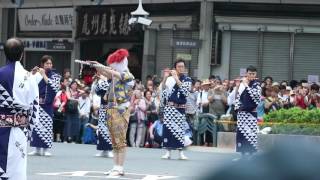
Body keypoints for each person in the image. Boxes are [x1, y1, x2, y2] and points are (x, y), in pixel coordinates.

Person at [90, 49, 134, 176]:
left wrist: (100, 66)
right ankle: (116, 166)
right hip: (112, 108)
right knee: (114, 140)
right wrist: (97, 65)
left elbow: (111, 72)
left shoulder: (127, 75)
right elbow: (107, 72)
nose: (111, 67)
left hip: (121, 109)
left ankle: (120, 167)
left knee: (120, 140)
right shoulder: (115, 75)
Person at [0, 38, 40, 180]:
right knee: (16, 171)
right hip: (19, 130)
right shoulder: (29, 78)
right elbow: (35, 108)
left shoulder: (0, 74)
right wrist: (29, 132)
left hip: (0, 127)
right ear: (22, 54)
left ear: (4, 53)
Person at [29, 55, 61, 156]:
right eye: (47, 63)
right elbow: (27, 83)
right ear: (42, 64)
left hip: (47, 104)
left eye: (50, 63)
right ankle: (37, 148)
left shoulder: (56, 76)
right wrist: (32, 73)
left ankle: (45, 149)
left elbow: (54, 87)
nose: (49, 65)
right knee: (36, 126)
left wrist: (44, 75)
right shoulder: (37, 74)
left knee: (47, 126)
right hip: (37, 104)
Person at [160, 59, 192, 160]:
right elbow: (164, 91)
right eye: (179, 66)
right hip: (169, 108)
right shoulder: (170, 79)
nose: (181, 68)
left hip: (180, 108)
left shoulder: (187, 79)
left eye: (182, 66)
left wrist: (176, 78)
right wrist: (165, 78)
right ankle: (168, 152)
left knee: (179, 131)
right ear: (175, 68)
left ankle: (181, 153)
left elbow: (185, 92)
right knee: (168, 130)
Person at [234, 66, 261, 157]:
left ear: (256, 74)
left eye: (253, 74)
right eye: (249, 73)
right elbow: (238, 97)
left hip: (251, 113)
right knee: (241, 133)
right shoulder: (242, 83)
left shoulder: (256, 84)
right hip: (242, 113)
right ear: (246, 73)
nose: (251, 75)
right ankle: (242, 154)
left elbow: (256, 96)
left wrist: (246, 85)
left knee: (250, 134)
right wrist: (237, 108)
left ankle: (250, 154)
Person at [94, 74, 113, 158]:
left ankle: (109, 150)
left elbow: (110, 89)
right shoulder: (104, 81)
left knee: (110, 129)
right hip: (102, 108)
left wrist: (104, 80)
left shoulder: (115, 82)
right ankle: (102, 149)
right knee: (101, 129)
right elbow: (97, 91)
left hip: (112, 108)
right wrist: (100, 81)